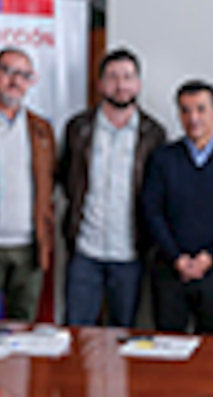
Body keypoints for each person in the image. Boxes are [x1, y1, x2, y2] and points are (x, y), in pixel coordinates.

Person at [59, 49, 166, 327]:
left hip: (130, 252)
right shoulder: (78, 128)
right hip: (85, 251)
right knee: (76, 333)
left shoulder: (153, 134)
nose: (121, 85)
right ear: (100, 84)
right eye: (113, 77)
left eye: (128, 77)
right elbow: (67, 179)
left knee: (123, 336)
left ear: (138, 84)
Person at [141, 80, 213, 335]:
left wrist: (209, 258)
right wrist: (176, 257)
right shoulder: (163, 158)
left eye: (201, 109)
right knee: (168, 344)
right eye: (185, 110)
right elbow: (152, 211)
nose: (193, 118)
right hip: (170, 268)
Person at [0, 48, 55, 322]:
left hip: (29, 245)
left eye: (23, 74)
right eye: (7, 71)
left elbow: (51, 182)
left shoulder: (41, 129)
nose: (15, 80)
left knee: (23, 326)